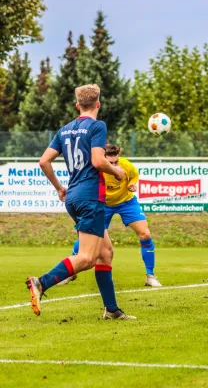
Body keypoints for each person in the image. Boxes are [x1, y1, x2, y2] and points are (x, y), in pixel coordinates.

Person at [26, 84, 136, 320]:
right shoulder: (97, 126)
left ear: (77, 105)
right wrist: (116, 171)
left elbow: (44, 162)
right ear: (98, 104)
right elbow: (98, 161)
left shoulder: (64, 130)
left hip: (73, 196)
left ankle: (112, 310)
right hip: (90, 197)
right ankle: (41, 282)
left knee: (105, 252)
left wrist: (59, 188)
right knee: (86, 258)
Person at [63, 144, 162, 287]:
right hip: (103, 204)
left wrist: (132, 184)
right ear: (102, 159)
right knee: (87, 237)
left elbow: (134, 175)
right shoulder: (95, 168)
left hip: (126, 202)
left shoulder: (125, 165)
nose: (115, 165)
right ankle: (71, 272)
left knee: (145, 234)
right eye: (111, 163)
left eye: (116, 162)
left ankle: (150, 276)